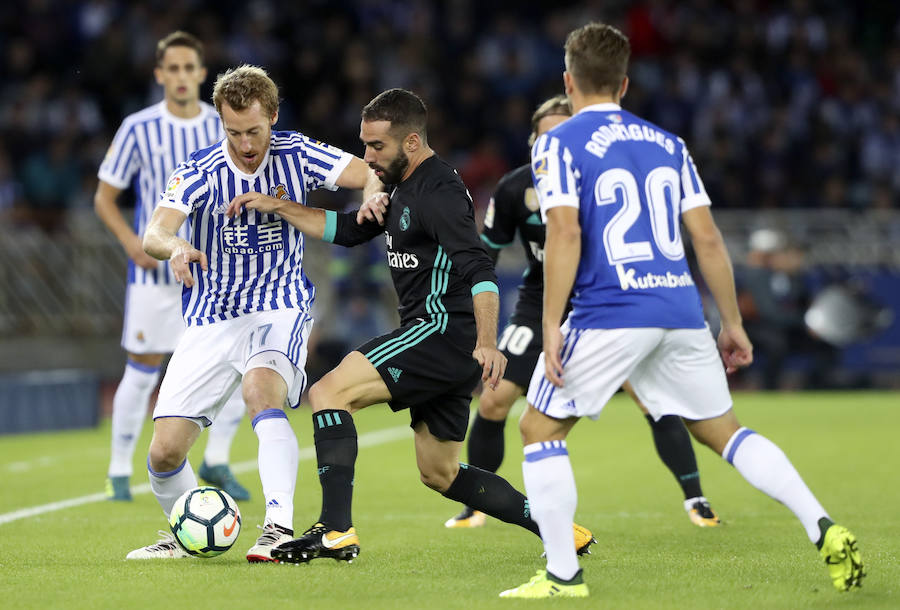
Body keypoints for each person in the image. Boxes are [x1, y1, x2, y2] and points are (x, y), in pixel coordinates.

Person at [499, 23, 864, 598]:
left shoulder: (557, 144)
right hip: (678, 306)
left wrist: (549, 325)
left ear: (569, 82)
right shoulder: (669, 143)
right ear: (624, 83)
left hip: (608, 310)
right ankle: (822, 523)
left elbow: (564, 233)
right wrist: (732, 323)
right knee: (724, 431)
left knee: (539, 427)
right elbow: (710, 240)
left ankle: (564, 574)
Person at [224, 88, 596, 564]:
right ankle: (556, 526)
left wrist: (488, 342)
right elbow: (348, 231)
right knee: (440, 473)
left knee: (328, 392)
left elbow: (480, 268)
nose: (368, 158)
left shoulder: (437, 192)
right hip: (443, 343)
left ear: (413, 143)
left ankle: (335, 529)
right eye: (365, 145)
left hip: (438, 333)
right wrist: (280, 208)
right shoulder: (403, 186)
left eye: (377, 147)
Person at [125, 64, 382, 562]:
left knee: (259, 390)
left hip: (278, 306)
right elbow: (154, 232)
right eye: (233, 132)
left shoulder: (298, 151)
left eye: (254, 131)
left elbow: (369, 172)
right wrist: (176, 246)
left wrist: (372, 200)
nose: (244, 144)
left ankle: (278, 528)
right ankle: (185, 536)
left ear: (274, 116)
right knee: (163, 452)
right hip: (211, 314)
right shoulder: (201, 168)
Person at [444, 94, 720, 532]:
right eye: (545, 136)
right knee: (495, 398)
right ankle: (478, 503)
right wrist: (467, 309)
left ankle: (696, 498)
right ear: (533, 141)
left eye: (562, 135)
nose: (554, 144)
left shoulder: (596, 181)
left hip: (605, 300)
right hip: (539, 303)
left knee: (653, 400)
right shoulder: (515, 188)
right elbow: (487, 257)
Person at [95, 31, 250, 502]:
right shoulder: (138, 127)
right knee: (141, 369)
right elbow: (104, 197)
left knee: (233, 366)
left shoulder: (219, 125)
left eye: (190, 68)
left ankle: (218, 460)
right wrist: (130, 243)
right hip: (153, 274)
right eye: (173, 69)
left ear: (202, 74)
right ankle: (119, 471)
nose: (181, 77)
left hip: (211, 273)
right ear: (160, 74)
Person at [738, 229, 840, 389]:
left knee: (826, 342)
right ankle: (769, 387)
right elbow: (769, 312)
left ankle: (818, 387)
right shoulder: (759, 276)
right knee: (776, 343)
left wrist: (812, 325)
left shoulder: (796, 279)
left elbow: (807, 303)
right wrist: (806, 323)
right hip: (762, 328)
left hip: (790, 329)